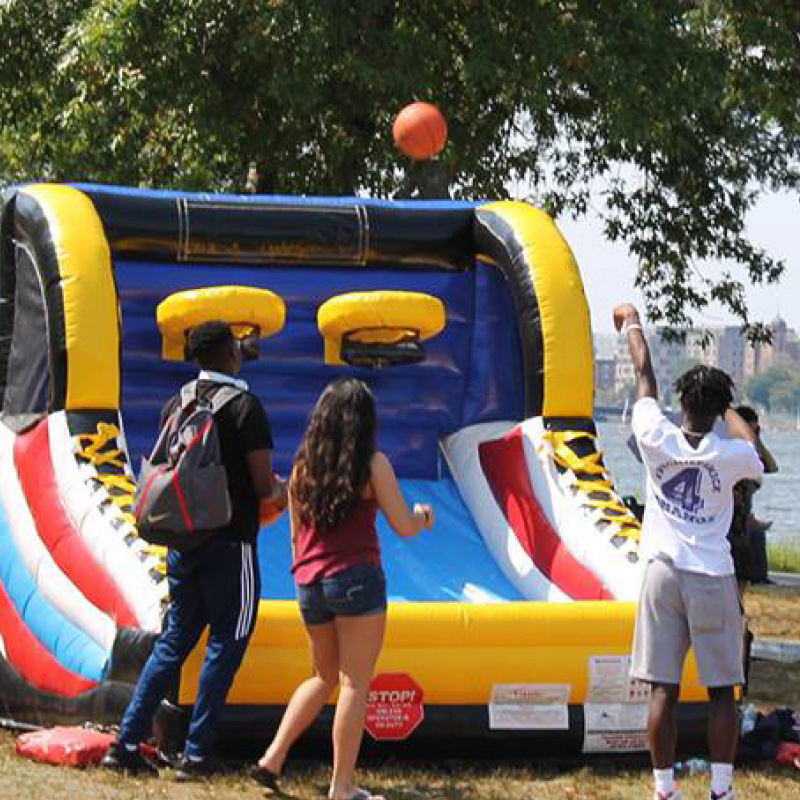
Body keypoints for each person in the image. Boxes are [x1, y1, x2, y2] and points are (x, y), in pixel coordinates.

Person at [103, 320, 286, 779]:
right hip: (231, 542)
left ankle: (125, 742)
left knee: (174, 642)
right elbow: (264, 487)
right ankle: (198, 753)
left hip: (183, 543)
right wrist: (287, 490)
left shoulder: (177, 402)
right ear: (228, 353)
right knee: (228, 640)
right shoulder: (246, 407)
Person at [249, 378, 434, 800]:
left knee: (321, 677)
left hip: (309, 584)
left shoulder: (300, 468)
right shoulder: (371, 465)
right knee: (354, 683)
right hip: (356, 580)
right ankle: (342, 786)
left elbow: (296, 538)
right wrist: (424, 517)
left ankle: (272, 759)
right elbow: (404, 526)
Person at [615, 303, 764, 800]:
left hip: (661, 572)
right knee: (723, 689)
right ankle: (720, 790)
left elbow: (643, 372)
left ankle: (664, 789)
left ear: (681, 404)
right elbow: (758, 454)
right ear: (720, 408)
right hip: (710, 573)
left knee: (663, 688)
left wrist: (632, 321)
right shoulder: (731, 453)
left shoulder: (655, 435)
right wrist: (726, 408)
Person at [727, 405, 778, 591]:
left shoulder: (751, 453)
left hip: (741, 522)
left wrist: (755, 439)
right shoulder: (725, 449)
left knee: (742, 578)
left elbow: (770, 466)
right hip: (727, 524)